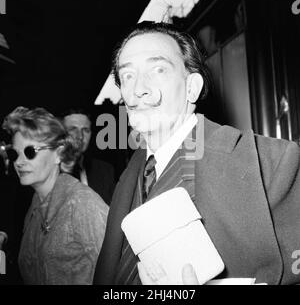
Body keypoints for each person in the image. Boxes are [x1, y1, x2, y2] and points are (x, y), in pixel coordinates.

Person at [93, 21, 300, 285]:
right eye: (128, 76)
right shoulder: (128, 179)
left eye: (158, 69)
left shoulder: (272, 165)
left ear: (192, 87)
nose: (139, 89)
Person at [2, 106, 108, 284]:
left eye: (30, 152)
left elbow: (121, 270)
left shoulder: (82, 203)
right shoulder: (35, 206)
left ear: (58, 153)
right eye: (14, 153)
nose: (19, 162)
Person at [62, 108, 115, 205]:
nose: (80, 136)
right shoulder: (48, 173)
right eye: (72, 129)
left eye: (85, 130)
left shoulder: (105, 170)